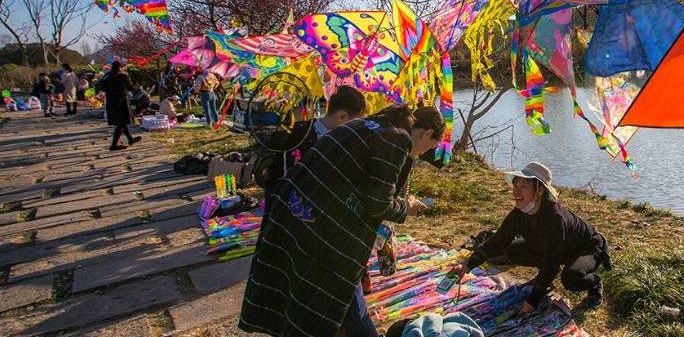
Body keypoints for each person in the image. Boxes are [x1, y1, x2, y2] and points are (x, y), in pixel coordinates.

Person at [238, 105, 445, 337]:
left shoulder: (371, 124)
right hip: (319, 223)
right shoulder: (398, 139)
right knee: (339, 291)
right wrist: (406, 207)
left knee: (303, 292)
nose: (423, 153)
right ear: (427, 133)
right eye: (431, 146)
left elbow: (359, 182)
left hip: (294, 207)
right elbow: (378, 204)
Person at [448, 162, 611, 312]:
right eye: (516, 185)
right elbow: (497, 242)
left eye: (524, 186)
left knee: (571, 278)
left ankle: (595, 283)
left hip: (588, 247)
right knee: (512, 250)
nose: (516, 190)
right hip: (558, 249)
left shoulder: (555, 219)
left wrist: (532, 301)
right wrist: (467, 265)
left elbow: (552, 263)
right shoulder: (519, 213)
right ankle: (545, 280)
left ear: (539, 190)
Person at [96, 61, 141, 151]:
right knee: (121, 123)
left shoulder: (107, 75)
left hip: (111, 101)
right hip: (121, 100)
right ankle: (113, 145)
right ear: (120, 67)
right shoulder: (123, 75)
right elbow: (130, 88)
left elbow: (101, 87)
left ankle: (130, 139)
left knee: (121, 122)